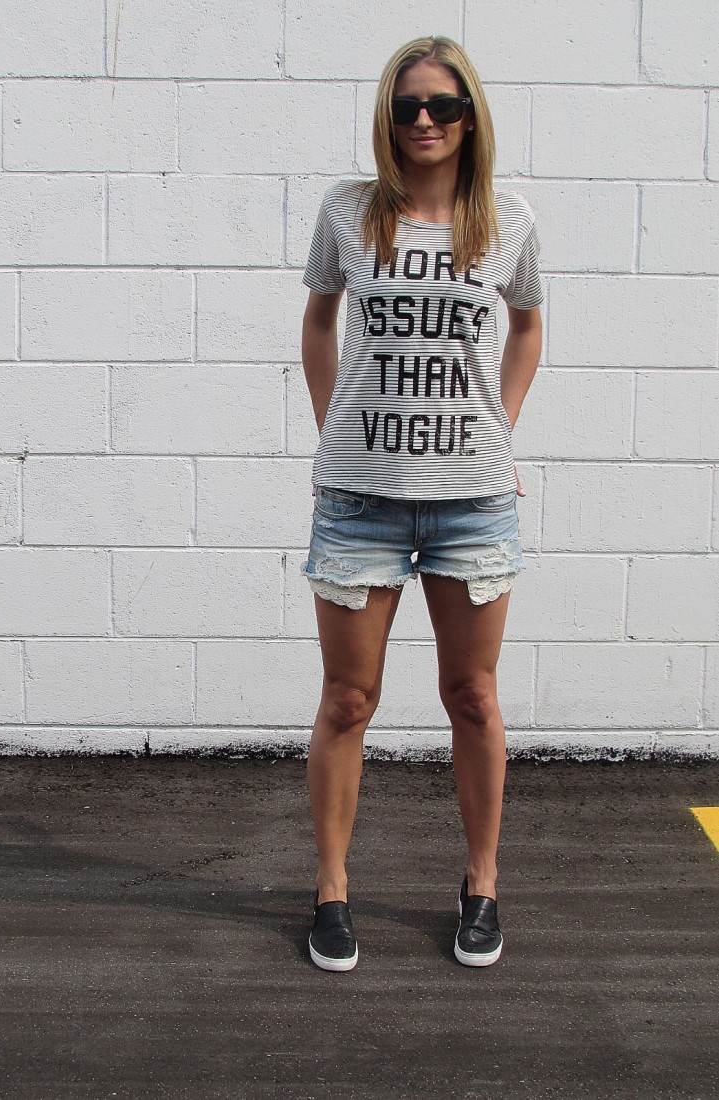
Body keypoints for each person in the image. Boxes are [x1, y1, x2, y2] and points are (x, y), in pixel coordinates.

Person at [300, 35, 544, 972]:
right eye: (407, 107)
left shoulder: (508, 222)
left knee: (472, 698)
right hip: (359, 501)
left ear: (470, 117)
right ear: (386, 117)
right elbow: (318, 320)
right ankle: (331, 890)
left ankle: (481, 883)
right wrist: (332, 430)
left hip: (471, 504)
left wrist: (499, 429)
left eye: (443, 105)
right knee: (346, 700)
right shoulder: (348, 211)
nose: (425, 121)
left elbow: (526, 327)